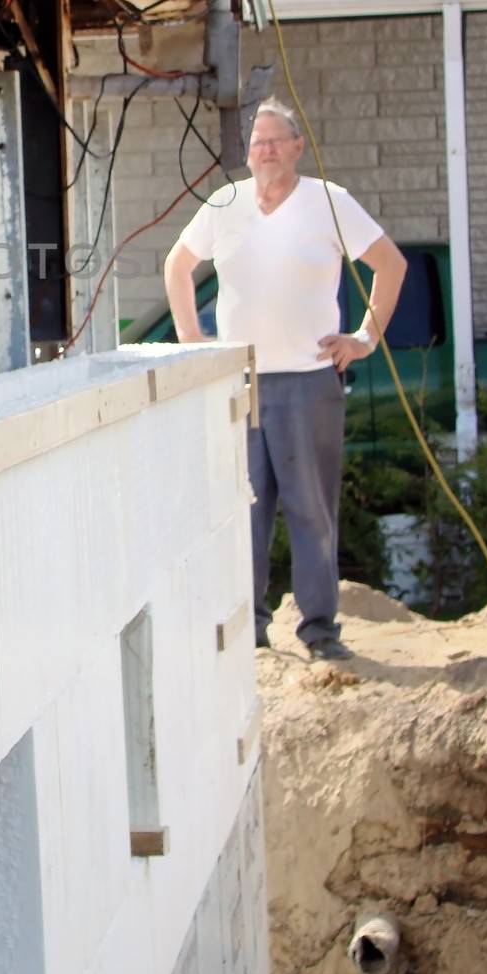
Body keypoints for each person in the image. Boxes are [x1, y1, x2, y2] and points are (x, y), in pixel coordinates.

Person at [162, 99, 407, 660]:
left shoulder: (329, 202)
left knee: (311, 510)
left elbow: (391, 265)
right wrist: (192, 344)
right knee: (242, 511)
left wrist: (365, 338)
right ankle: (250, 629)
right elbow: (177, 266)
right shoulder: (225, 203)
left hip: (308, 382)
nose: (265, 150)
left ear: (298, 146)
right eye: (257, 142)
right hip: (237, 385)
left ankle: (320, 631)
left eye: (276, 140)